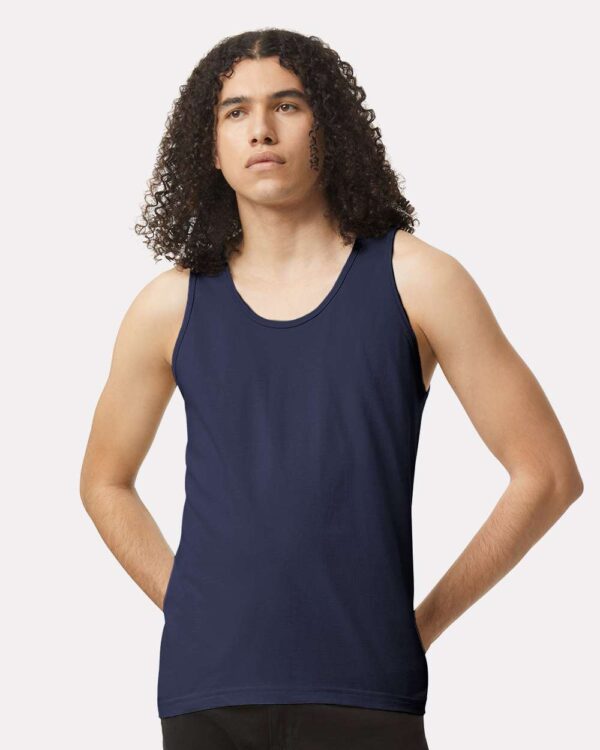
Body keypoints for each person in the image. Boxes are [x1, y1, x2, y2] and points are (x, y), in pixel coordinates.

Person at [79, 28, 584, 750]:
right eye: (235, 112)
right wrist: (191, 605)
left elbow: (548, 475)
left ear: (330, 127)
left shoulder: (419, 280)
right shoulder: (168, 306)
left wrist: (421, 625)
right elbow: (104, 481)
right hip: (207, 694)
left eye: (287, 105)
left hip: (366, 692)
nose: (260, 129)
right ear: (211, 145)